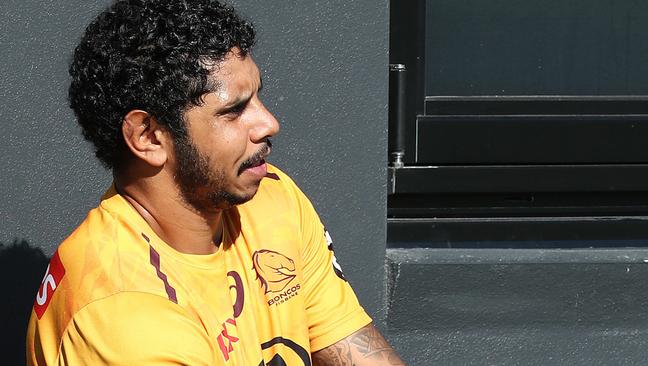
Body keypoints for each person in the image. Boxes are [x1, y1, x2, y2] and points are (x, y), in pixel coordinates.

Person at [26, 0, 404, 365]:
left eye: (258, 96)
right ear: (148, 137)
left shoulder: (272, 198)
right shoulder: (121, 312)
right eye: (234, 110)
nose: (269, 123)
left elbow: (354, 348)